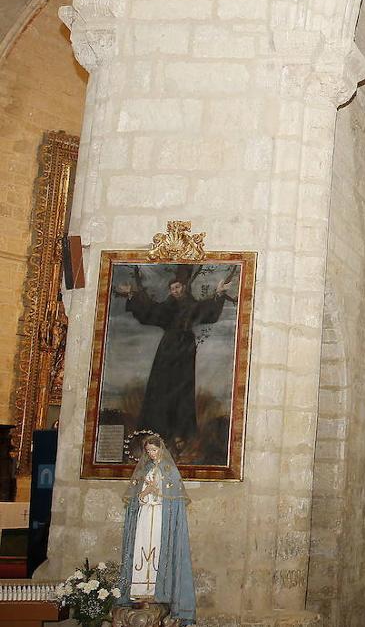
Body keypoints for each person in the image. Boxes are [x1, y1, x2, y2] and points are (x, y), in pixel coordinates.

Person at [116, 265, 232, 448]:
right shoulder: (166, 307)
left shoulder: (192, 306)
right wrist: (132, 294)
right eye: (172, 288)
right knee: (161, 387)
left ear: (183, 287)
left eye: (178, 287)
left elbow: (207, 311)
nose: (175, 290)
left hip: (185, 349)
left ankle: (180, 433)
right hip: (167, 349)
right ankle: (159, 431)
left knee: (183, 391)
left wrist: (218, 294)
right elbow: (149, 311)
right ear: (170, 291)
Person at [119, 435, 195, 624]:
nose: (152, 454)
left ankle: (157, 589)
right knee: (141, 546)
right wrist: (146, 492)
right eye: (148, 451)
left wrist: (158, 491)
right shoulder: (145, 470)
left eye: (154, 450)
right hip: (145, 516)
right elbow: (138, 496)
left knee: (159, 548)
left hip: (161, 517)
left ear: (161, 449)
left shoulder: (169, 471)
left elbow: (174, 497)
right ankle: (139, 590)